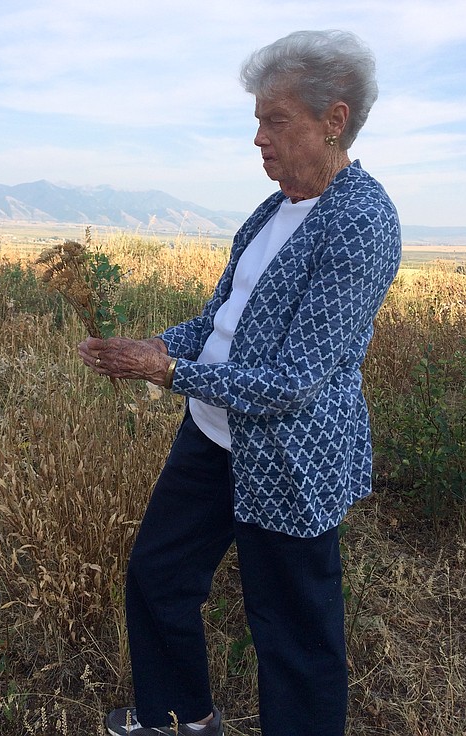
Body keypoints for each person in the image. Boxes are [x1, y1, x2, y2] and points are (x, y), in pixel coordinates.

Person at [78, 29, 401, 736]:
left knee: (294, 633)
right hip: (212, 435)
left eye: (275, 120)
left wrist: (166, 372)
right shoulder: (272, 209)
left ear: (333, 120)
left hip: (289, 460)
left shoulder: (361, 221)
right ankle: (178, 719)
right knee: (159, 576)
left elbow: (294, 382)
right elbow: (219, 320)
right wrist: (157, 345)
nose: (258, 138)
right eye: (258, 120)